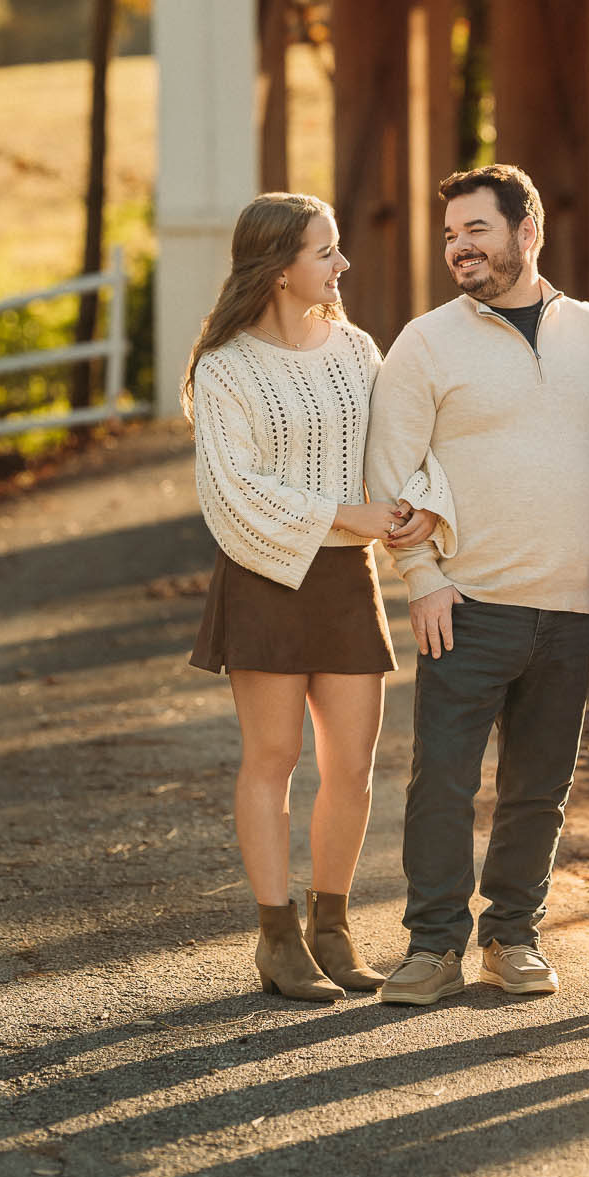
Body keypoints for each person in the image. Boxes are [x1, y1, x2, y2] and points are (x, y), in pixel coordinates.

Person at [184, 192, 455, 1003]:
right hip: (265, 580)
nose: (342, 265)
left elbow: (398, 442)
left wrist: (417, 502)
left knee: (354, 764)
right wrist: (345, 513)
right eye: (325, 252)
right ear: (278, 268)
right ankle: (276, 939)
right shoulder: (225, 366)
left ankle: (330, 928)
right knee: (273, 761)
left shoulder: (355, 348)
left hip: (344, 581)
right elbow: (231, 490)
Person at [366, 164, 589, 1007]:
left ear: (527, 230)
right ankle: (432, 946)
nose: (458, 247)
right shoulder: (425, 341)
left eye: (475, 229)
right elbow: (391, 475)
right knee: (441, 780)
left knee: (538, 789)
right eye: (450, 234)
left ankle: (513, 936)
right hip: (466, 604)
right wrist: (423, 579)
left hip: (570, 604)